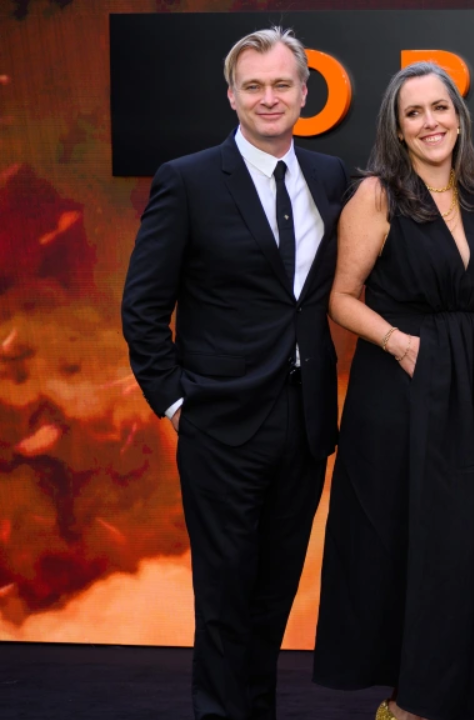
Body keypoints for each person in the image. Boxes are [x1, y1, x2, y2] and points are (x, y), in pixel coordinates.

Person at [120, 27, 350, 720]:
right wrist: (175, 402)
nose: (269, 97)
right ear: (231, 96)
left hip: (306, 422)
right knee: (224, 599)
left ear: (306, 92)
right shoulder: (187, 179)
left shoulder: (333, 177)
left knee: (273, 595)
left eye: (283, 84)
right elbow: (142, 308)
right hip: (220, 423)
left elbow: (418, 197)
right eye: (254, 86)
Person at [310, 62, 474, 720]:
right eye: (414, 113)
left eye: (441, 108)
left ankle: (445, 693)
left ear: (460, 116)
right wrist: (402, 346)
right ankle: (405, 702)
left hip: (471, 388)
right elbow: (340, 299)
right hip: (401, 388)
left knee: (464, 543)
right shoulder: (376, 195)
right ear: (396, 129)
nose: (431, 122)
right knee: (410, 544)